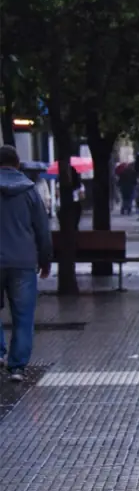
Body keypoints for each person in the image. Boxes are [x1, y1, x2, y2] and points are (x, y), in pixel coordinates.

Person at [0, 146, 52, 383]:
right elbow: (42, 230)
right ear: (18, 164)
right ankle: (17, 367)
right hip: (23, 261)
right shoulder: (31, 191)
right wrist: (45, 260)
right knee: (23, 316)